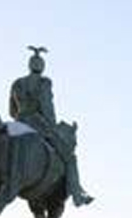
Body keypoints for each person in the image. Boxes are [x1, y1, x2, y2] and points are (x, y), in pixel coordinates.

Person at [9, 46, 93, 207]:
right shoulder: (44, 82)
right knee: (69, 157)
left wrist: (19, 118)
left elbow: (12, 110)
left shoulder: (17, 83)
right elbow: (47, 106)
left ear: (29, 65)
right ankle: (77, 195)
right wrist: (52, 125)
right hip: (36, 123)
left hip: (17, 123)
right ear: (42, 67)